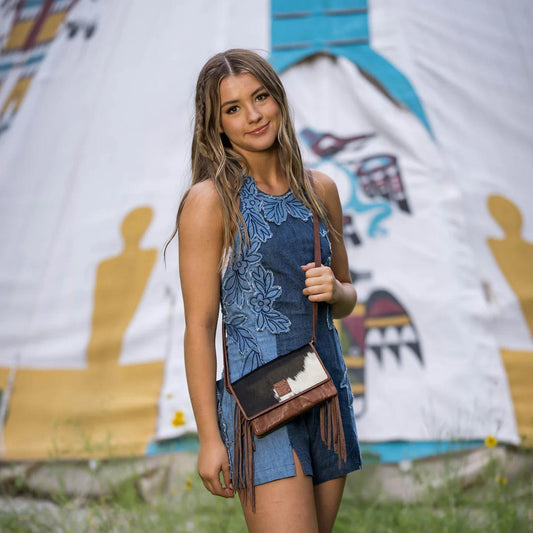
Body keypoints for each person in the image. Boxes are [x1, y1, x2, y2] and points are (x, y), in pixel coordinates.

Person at [165, 48, 362, 533]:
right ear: (216, 125)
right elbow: (199, 328)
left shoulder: (321, 190)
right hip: (260, 407)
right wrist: (209, 438)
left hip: (327, 392)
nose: (253, 115)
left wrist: (336, 291)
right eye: (233, 108)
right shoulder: (211, 201)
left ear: (278, 99)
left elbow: (347, 295)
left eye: (260, 98)